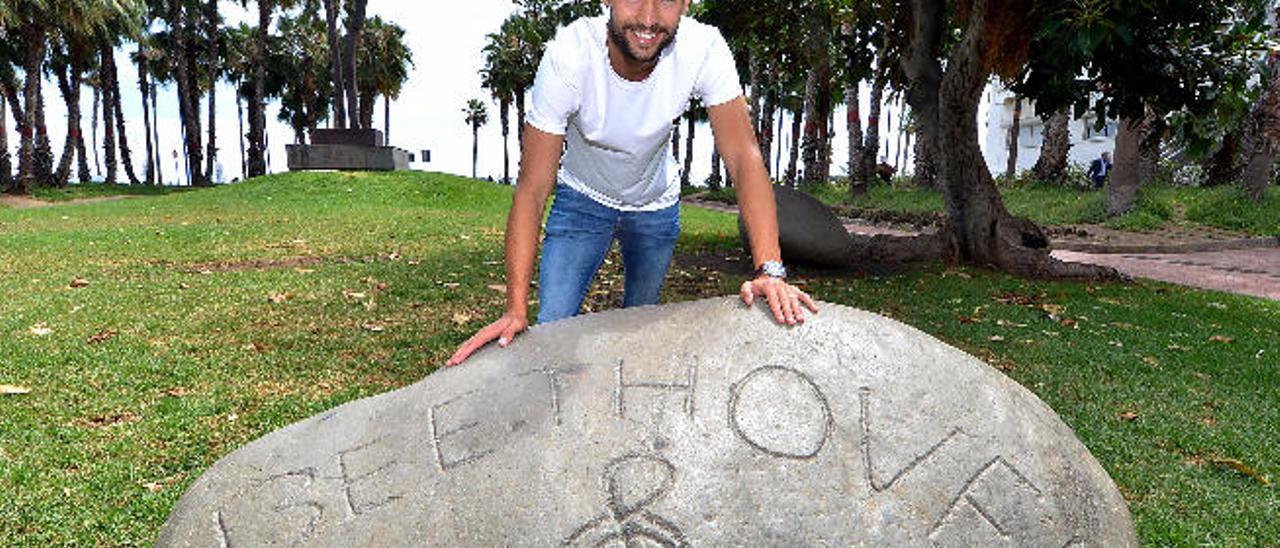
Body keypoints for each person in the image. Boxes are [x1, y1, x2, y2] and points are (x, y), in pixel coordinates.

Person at [447, 0, 817, 367]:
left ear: (686, 5)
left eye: (667, 1)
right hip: (582, 199)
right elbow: (533, 187)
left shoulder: (703, 48)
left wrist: (770, 269)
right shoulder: (569, 55)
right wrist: (514, 308)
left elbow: (743, 156)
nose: (648, 18)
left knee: (640, 326)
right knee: (551, 329)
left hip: (655, 206)